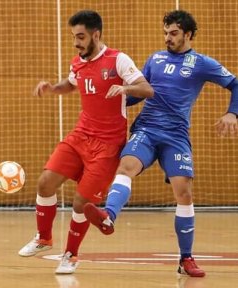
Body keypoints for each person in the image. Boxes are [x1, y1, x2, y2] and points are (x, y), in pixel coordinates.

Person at [84, 9, 238, 278]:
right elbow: (140, 91)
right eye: (165, 33)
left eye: (174, 33)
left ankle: (186, 258)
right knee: (126, 166)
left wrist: (232, 113)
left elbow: (236, 84)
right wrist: (116, 96)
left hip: (176, 136)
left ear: (188, 34)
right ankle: (108, 215)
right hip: (147, 128)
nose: (168, 38)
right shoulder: (155, 59)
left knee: (184, 192)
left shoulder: (202, 63)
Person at [18, 10, 154, 274]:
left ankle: (71, 254)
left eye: (80, 37)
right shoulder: (77, 62)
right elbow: (71, 84)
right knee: (45, 182)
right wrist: (52, 88)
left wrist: (125, 89)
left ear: (96, 34)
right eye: (73, 37)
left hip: (107, 145)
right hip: (80, 136)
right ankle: (43, 238)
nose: (76, 43)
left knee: (82, 203)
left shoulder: (118, 60)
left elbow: (147, 89)